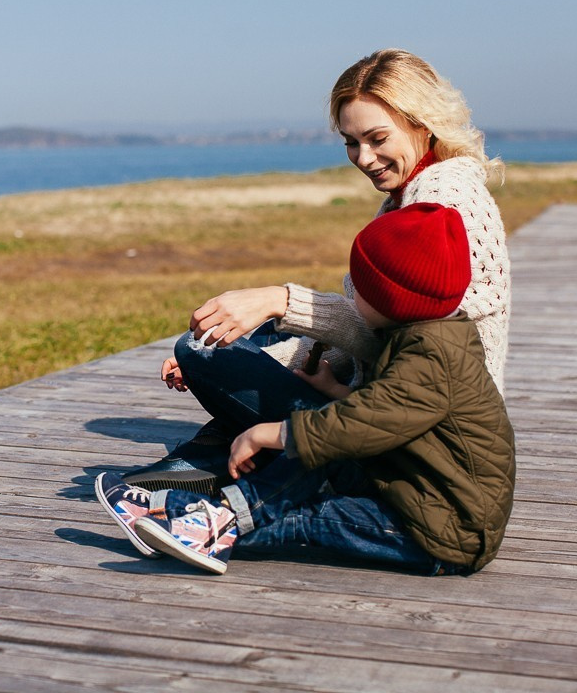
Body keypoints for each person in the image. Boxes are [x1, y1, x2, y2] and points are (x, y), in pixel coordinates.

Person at [122, 48, 510, 494]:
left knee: (198, 350)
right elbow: (383, 331)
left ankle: (215, 455)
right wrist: (264, 351)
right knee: (251, 339)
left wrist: (281, 301)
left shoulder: (444, 202)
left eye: (377, 138)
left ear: (423, 125)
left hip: (406, 439)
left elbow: (416, 350)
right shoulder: (418, 190)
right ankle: (220, 445)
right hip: (392, 403)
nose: (363, 158)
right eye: (350, 141)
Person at [96, 202, 516, 575]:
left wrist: (274, 432)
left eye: (361, 285)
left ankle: (183, 521)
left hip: (443, 532)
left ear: (389, 297)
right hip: (413, 487)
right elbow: (397, 415)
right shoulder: (431, 336)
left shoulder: (432, 355)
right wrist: (334, 390)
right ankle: (187, 521)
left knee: (310, 515)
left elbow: (367, 422)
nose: (352, 292)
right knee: (313, 458)